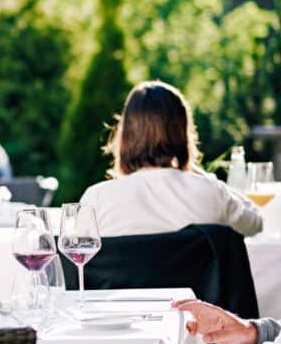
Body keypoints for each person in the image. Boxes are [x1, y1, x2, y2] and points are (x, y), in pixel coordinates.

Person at [80, 81, 262, 237]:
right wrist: (204, 176)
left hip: (121, 280)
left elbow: (76, 261)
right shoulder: (210, 192)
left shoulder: (97, 199)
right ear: (182, 133)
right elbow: (255, 223)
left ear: (127, 135)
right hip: (190, 280)